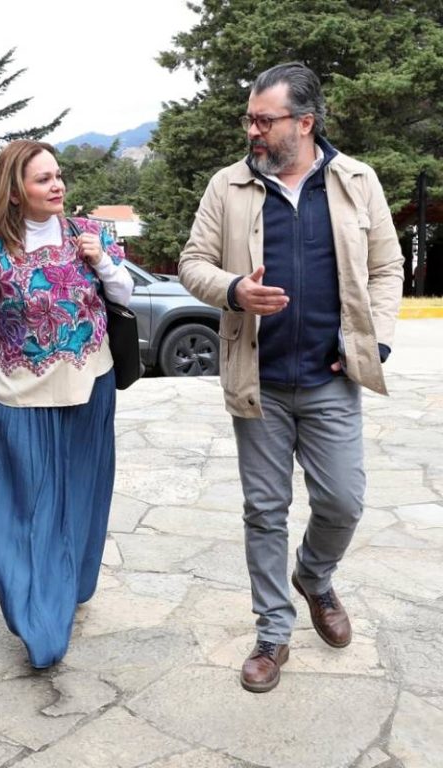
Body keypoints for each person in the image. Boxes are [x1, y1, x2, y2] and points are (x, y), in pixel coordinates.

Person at [178, 62, 404, 693]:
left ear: (304, 123)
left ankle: (314, 575)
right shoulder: (228, 186)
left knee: (343, 501)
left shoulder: (357, 180)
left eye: (264, 120)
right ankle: (273, 632)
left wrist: (378, 339)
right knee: (264, 510)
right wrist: (233, 290)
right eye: (249, 119)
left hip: (333, 379)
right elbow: (192, 262)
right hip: (260, 380)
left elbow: (387, 267)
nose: (252, 130)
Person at [0, 139, 134, 668]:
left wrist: (101, 261)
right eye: (43, 179)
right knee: (25, 509)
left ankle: (68, 586)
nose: (57, 185)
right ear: (15, 191)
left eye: (57, 175)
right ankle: (38, 620)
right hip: (17, 396)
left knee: (83, 496)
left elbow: (124, 295)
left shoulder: (90, 234)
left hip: (90, 387)